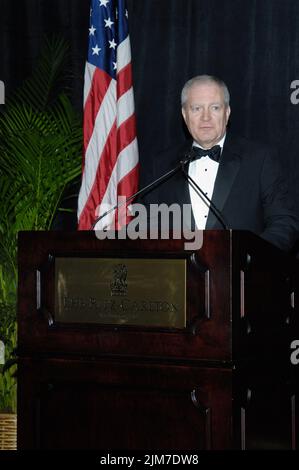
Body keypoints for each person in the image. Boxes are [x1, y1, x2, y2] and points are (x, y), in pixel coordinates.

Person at [140, 74, 299, 252]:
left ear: (227, 112)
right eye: (196, 108)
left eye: (214, 108)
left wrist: (250, 259)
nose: (205, 117)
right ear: (185, 115)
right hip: (177, 277)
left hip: (243, 276)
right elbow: (147, 227)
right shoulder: (161, 165)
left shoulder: (260, 159)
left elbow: (284, 223)